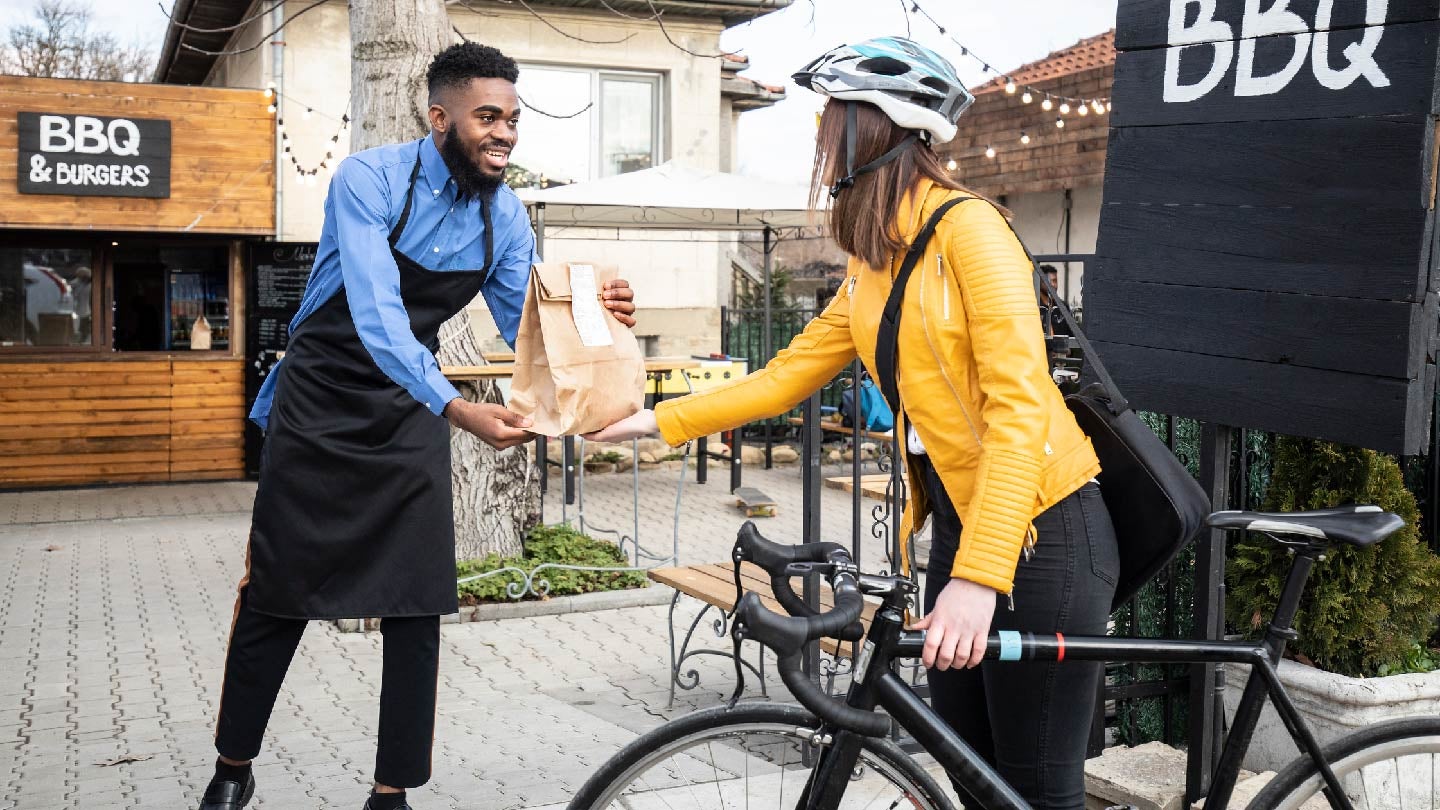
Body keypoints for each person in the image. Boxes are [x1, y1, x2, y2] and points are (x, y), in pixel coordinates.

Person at [588, 37, 1117, 809]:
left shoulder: (972, 232)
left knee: (1036, 789)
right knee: (973, 775)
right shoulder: (877, 262)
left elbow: (1021, 408)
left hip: (1044, 533)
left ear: (875, 129)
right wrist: (649, 421)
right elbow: (783, 378)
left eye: (830, 118)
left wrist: (977, 576)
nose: (818, 137)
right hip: (970, 535)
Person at [197, 43, 636, 810]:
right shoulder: (369, 179)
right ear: (440, 118)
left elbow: (526, 326)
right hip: (324, 400)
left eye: (513, 120)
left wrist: (597, 314)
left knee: (416, 604)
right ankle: (233, 769)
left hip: (408, 411)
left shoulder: (506, 218)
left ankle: (391, 792)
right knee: (278, 591)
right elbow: (375, 312)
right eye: (487, 117)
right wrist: (458, 408)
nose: (504, 133)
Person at [1039, 264, 1072, 337]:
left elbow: (1072, 336)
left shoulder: (1063, 307)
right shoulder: (1034, 307)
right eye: (1050, 281)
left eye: (1055, 281)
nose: (1054, 285)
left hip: (1061, 348)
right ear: (1040, 282)